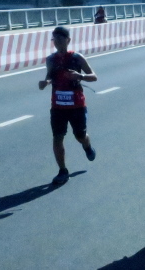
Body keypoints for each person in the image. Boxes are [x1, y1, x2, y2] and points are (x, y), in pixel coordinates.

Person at [38, 26, 98, 185]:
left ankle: (87, 146)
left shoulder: (77, 58)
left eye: (60, 39)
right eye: (54, 39)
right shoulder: (51, 59)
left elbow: (94, 76)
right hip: (57, 106)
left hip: (77, 105)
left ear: (68, 40)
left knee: (80, 136)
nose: (57, 42)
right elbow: (49, 77)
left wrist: (80, 76)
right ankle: (63, 171)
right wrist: (45, 83)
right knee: (57, 137)